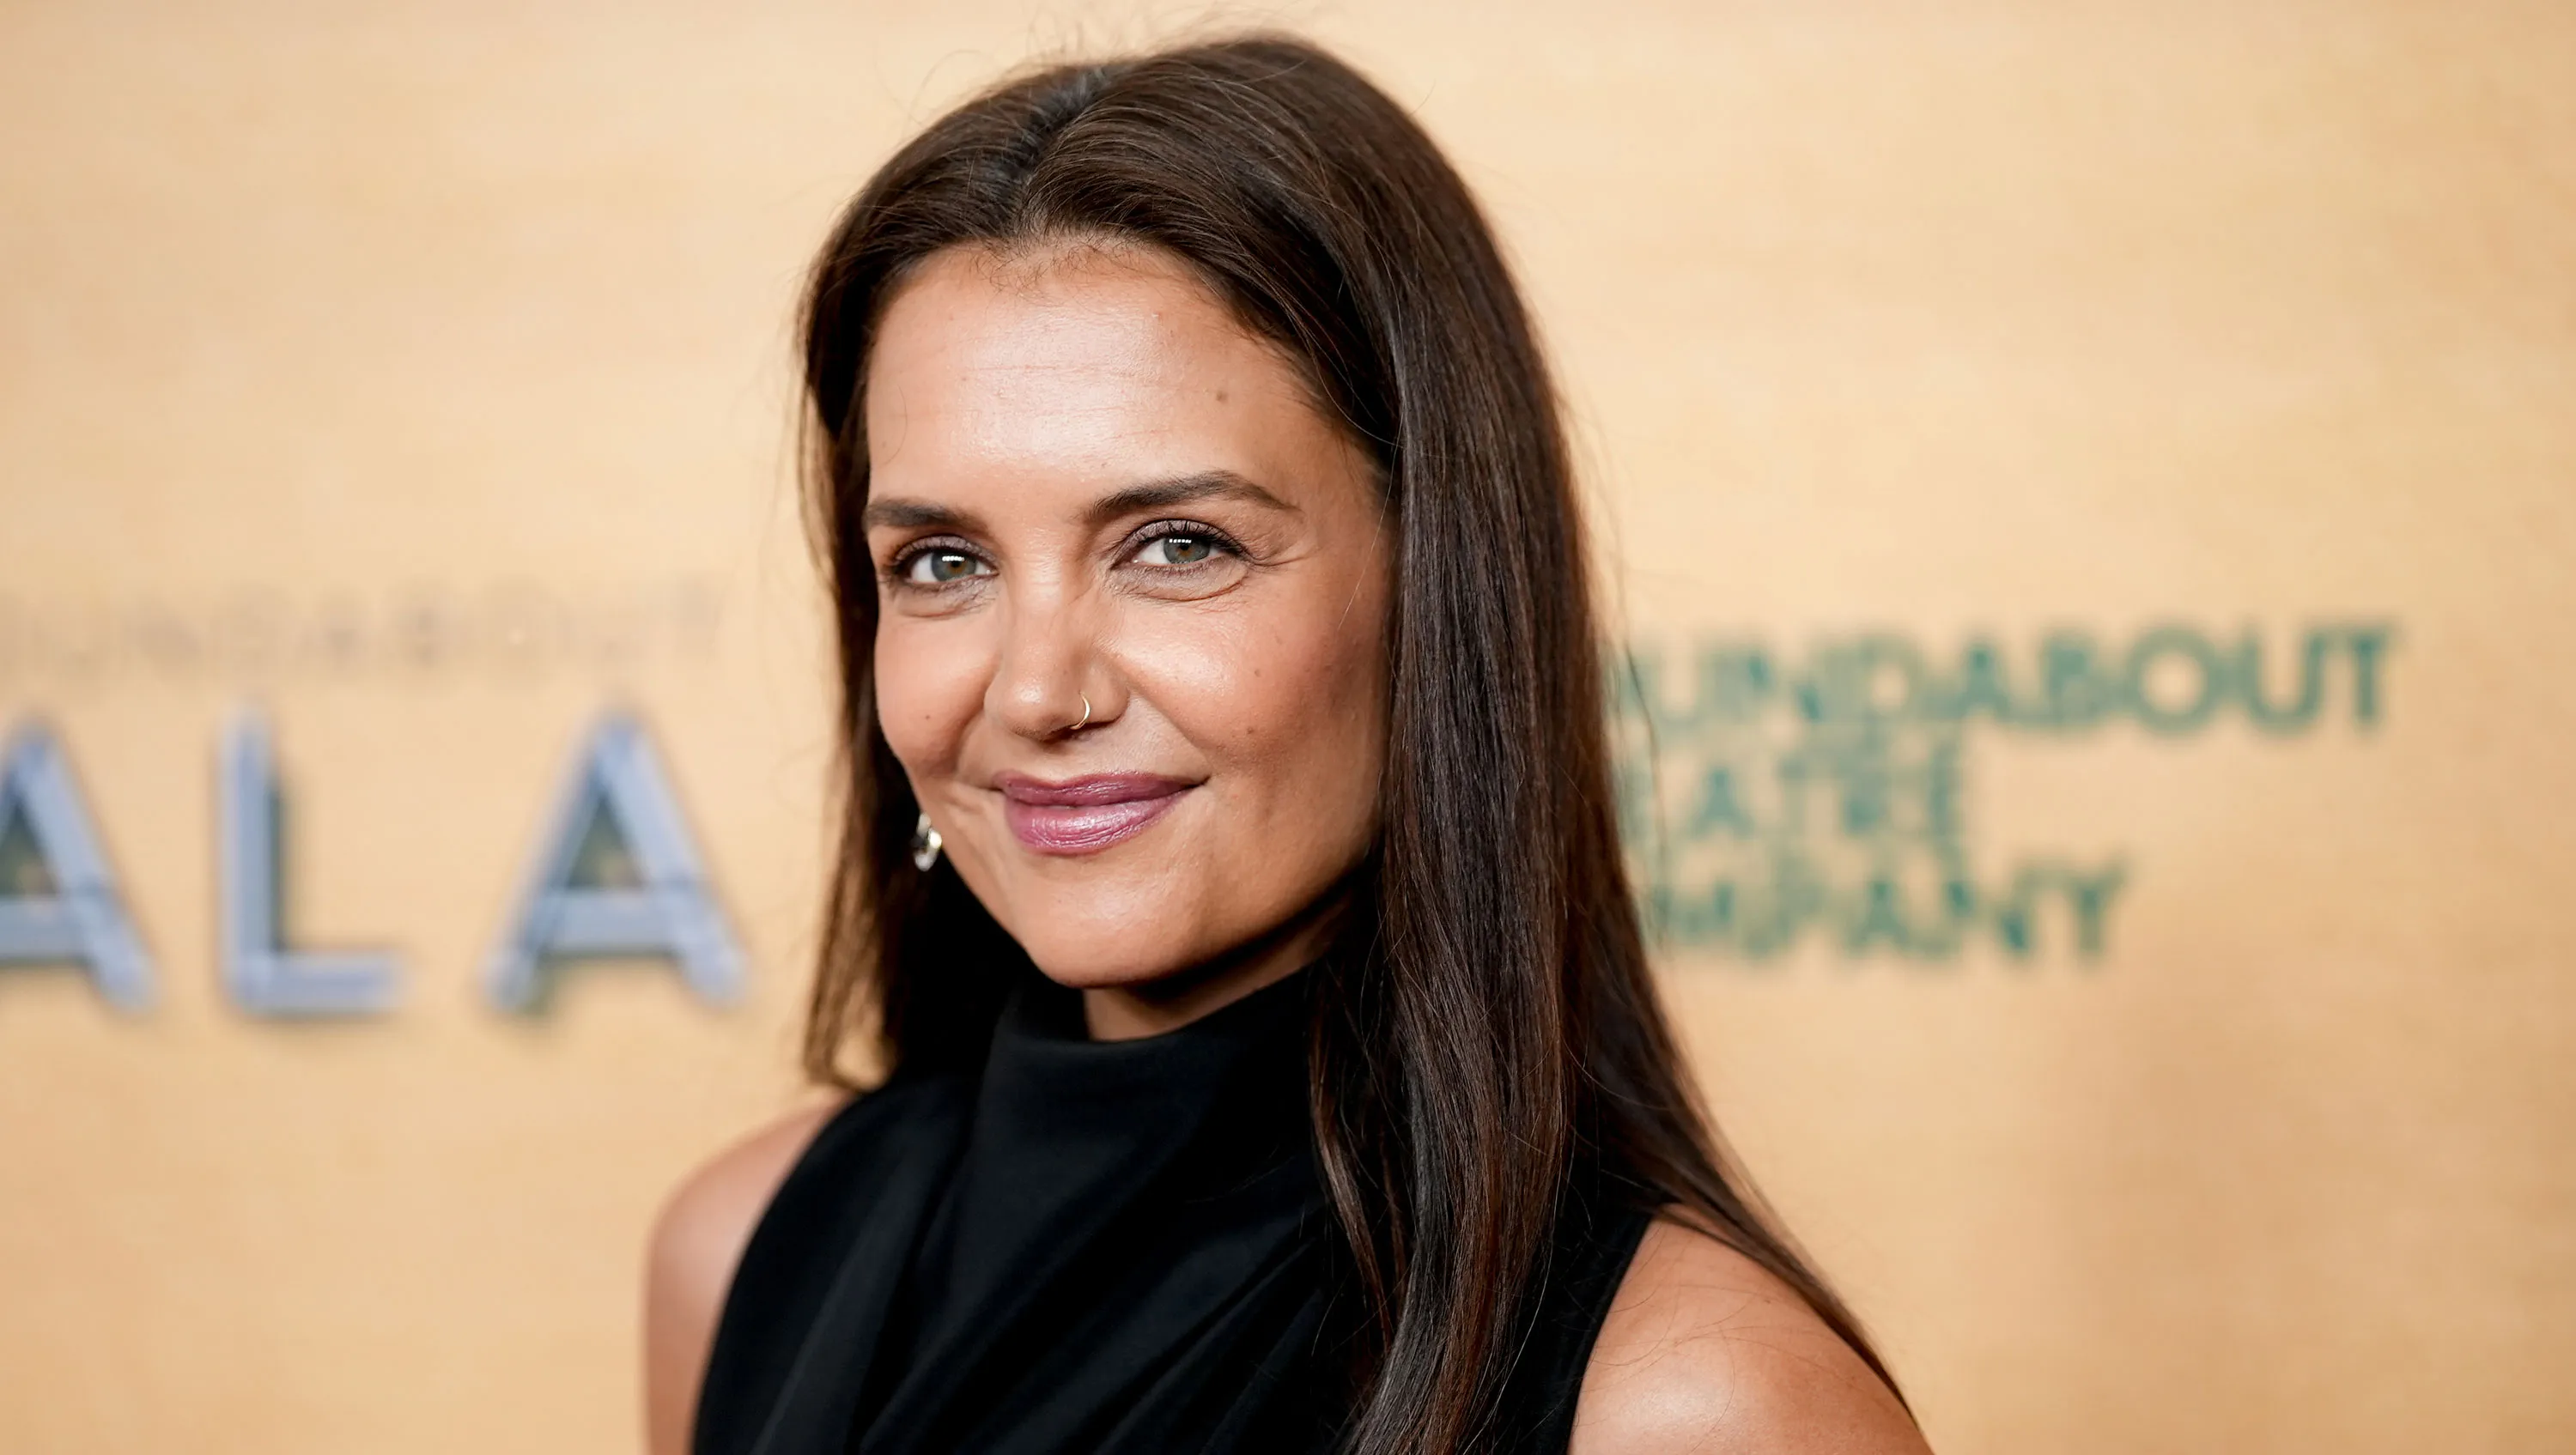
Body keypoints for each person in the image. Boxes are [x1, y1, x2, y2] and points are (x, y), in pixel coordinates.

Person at [645, 33, 1929, 1455]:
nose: (1036, 690)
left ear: (1438, 584)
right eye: (943, 563)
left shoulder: (1691, 1407)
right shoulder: (743, 1255)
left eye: (1177, 544)